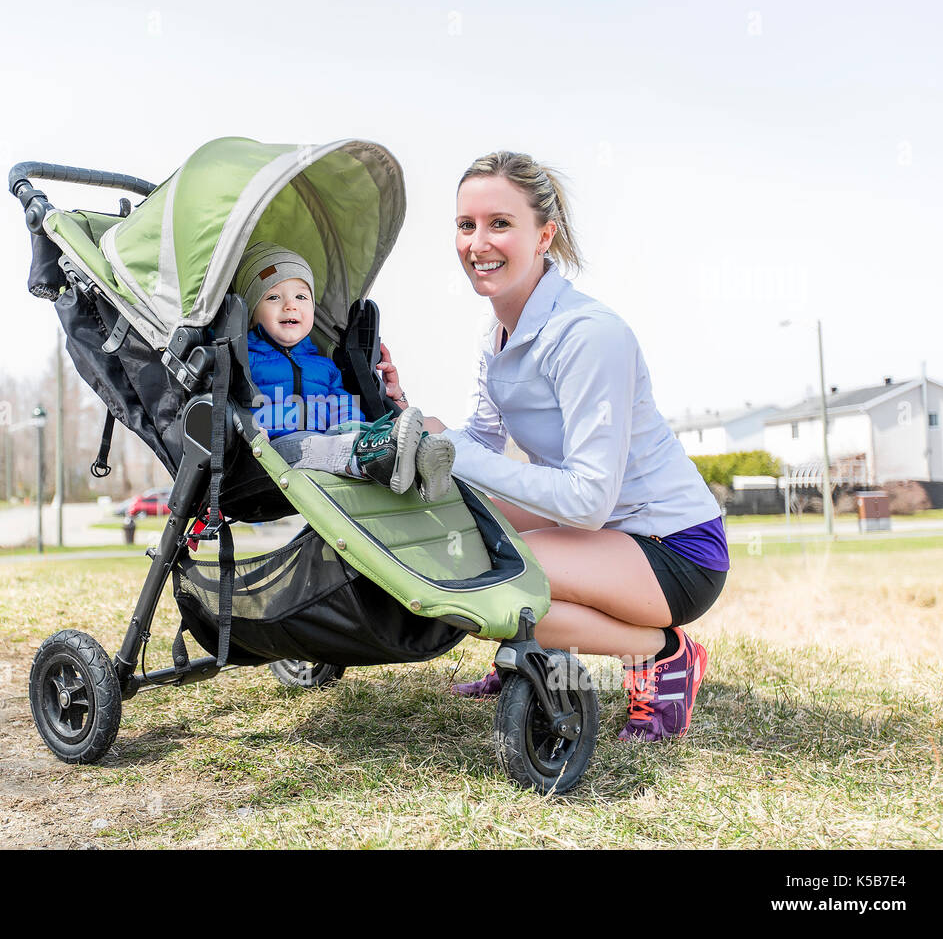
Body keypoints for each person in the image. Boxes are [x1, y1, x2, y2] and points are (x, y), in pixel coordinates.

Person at [377, 153, 728, 741]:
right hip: (603, 535)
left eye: (500, 223)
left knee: (486, 571)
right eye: (466, 225)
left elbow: (589, 498)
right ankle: (533, 642)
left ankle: (665, 654)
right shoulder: (496, 336)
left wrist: (455, 449)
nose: (478, 242)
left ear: (544, 235)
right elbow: (480, 445)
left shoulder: (589, 334)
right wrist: (408, 417)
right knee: (453, 529)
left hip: (674, 549)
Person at [237, 241, 456, 501]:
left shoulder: (323, 365)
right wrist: (252, 431)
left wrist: (358, 427)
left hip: (328, 440)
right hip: (277, 448)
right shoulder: (245, 360)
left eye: (301, 297)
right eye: (274, 297)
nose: (290, 305)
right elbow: (234, 405)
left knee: (358, 432)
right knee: (317, 445)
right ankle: (377, 457)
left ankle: (418, 461)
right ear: (251, 313)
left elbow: (341, 405)